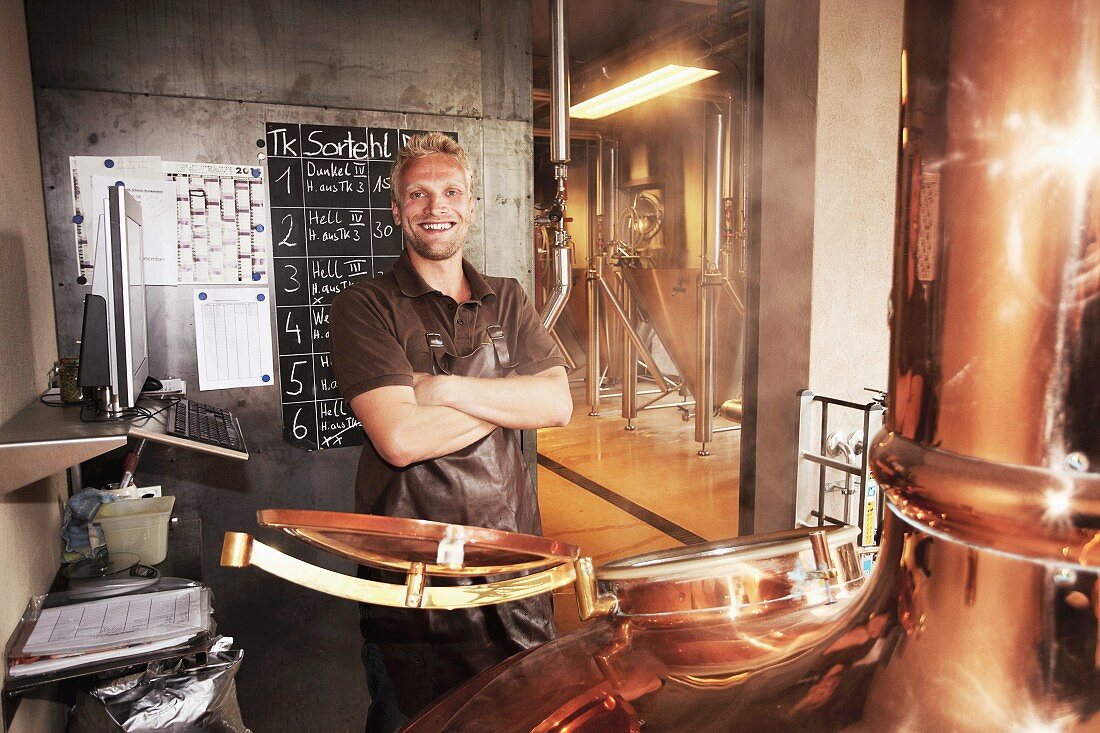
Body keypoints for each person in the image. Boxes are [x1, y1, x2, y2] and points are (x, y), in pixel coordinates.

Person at [329, 132, 572, 732]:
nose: (437, 206)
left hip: (513, 566)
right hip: (415, 579)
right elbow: (402, 439)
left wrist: (442, 388)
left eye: (452, 191)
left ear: (470, 205)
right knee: (417, 721)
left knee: (523, 718)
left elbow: (557, 403)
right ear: (396, 209)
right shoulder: (366, 306)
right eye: (419, 193)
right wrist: (510, 398)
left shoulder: (509, 298)